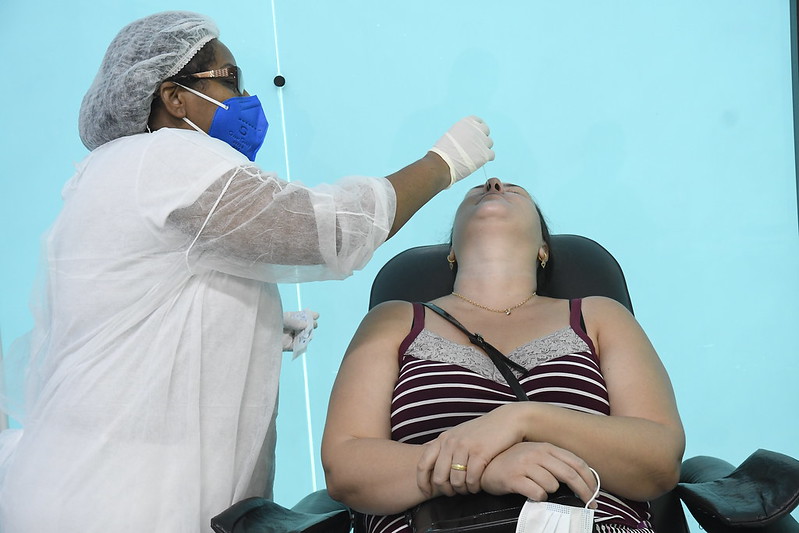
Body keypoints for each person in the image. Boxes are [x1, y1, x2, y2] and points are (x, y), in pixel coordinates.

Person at [0, 10, 494, 533]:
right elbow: (326, 229)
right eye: (229, 79)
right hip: (120, 500)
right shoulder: (165, 158)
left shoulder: (111, 176)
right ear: (173, 97)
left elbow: (108, 320)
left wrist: (246, 328)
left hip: (77, 480)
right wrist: (444, 161)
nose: (246, 99)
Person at [321, 178, 685, 532]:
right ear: (451, 253)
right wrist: (480, 470)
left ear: (544, 248)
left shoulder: (600, 316)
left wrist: (524, 419)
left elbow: (660, 459)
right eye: (474, 192)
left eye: (517, 191)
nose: (493, 183)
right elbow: (345, 468)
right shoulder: (394, 320)